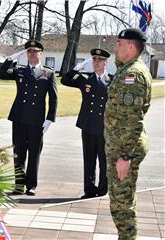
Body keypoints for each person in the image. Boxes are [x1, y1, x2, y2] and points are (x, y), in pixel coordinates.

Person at [104, 28, 151, 239]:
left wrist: (125, 156)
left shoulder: (133, 74)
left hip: (124, 150)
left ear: (131, 47)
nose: (116, 47)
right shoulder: (127, 69)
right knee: (121, 202)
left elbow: (132, 118)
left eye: (119, 44)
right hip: (121, 147)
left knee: (122, 205)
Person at [0, 40, 57, 196]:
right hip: (19, 117)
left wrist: (50, 118)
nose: (32, 54)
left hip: (37, 121)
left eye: (35, 51)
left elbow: (53, 98)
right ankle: (19, 185)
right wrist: (10, 59)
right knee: (19, 154)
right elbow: (1, 74)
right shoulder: (20, 71)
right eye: (29, 51)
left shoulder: (48, 73)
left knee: (34, 154)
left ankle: (31, 185)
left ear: (40, 53)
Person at [61, 48, 113, 199]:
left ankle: (103, 189)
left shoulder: (112, 80)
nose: (96, 63)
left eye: (100, 60)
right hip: (88, 125)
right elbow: (65, 80)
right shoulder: (85, 79)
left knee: (104, 160)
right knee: (89, 159)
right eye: (94, 60)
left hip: (105, 126)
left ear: (106, 63)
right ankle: (89, 189)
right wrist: (77, 68)